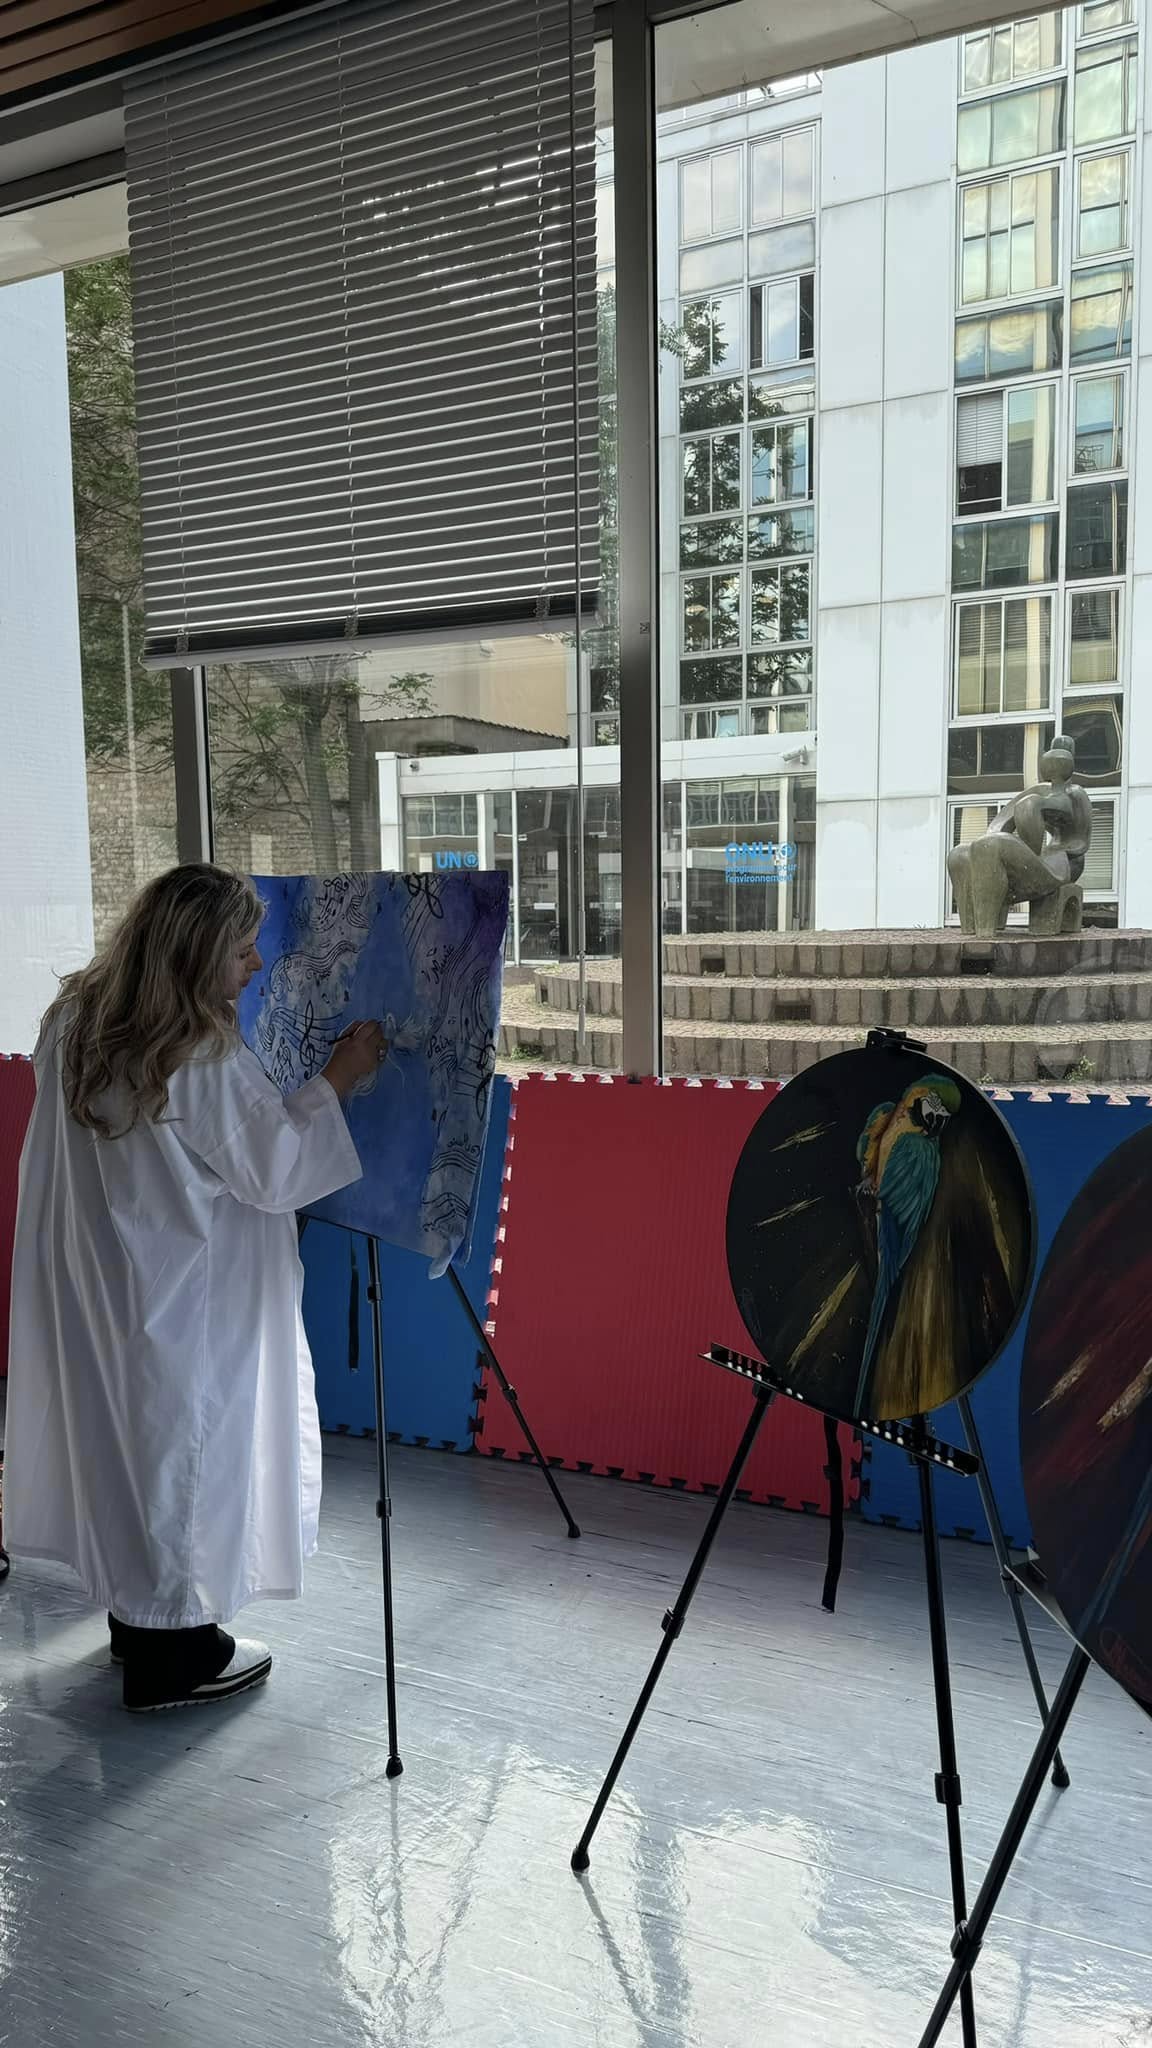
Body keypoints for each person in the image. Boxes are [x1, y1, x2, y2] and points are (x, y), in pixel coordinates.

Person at [3, 864, 385, 1712]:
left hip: (101, 1278)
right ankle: (175, 1654)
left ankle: (135, 1622)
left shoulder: (75, 1018)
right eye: (242, 950)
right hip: (184, 1291)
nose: (256, 964)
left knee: (123, 1450)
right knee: (186, 1460)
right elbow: (274, 1168)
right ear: (194, 952)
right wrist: (340, 1077)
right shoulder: (194, 1051)